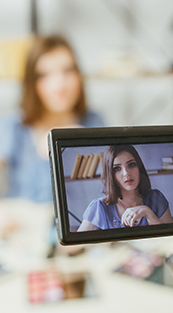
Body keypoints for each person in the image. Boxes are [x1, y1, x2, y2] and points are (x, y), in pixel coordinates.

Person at [0, 34, 105, 203]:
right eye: (44, 75)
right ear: (31, 83)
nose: (59, 84)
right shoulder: (12, 126)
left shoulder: (94, 122)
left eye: (68, 71)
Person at [78, 145, 173, 231]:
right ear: (111, 174)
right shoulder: (99, 207)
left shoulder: (156, 198)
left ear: (139, 168)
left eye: (131, 165)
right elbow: (78, 245)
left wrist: (148, 213)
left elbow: (171, 240)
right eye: (117, 169)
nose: (126, 173)